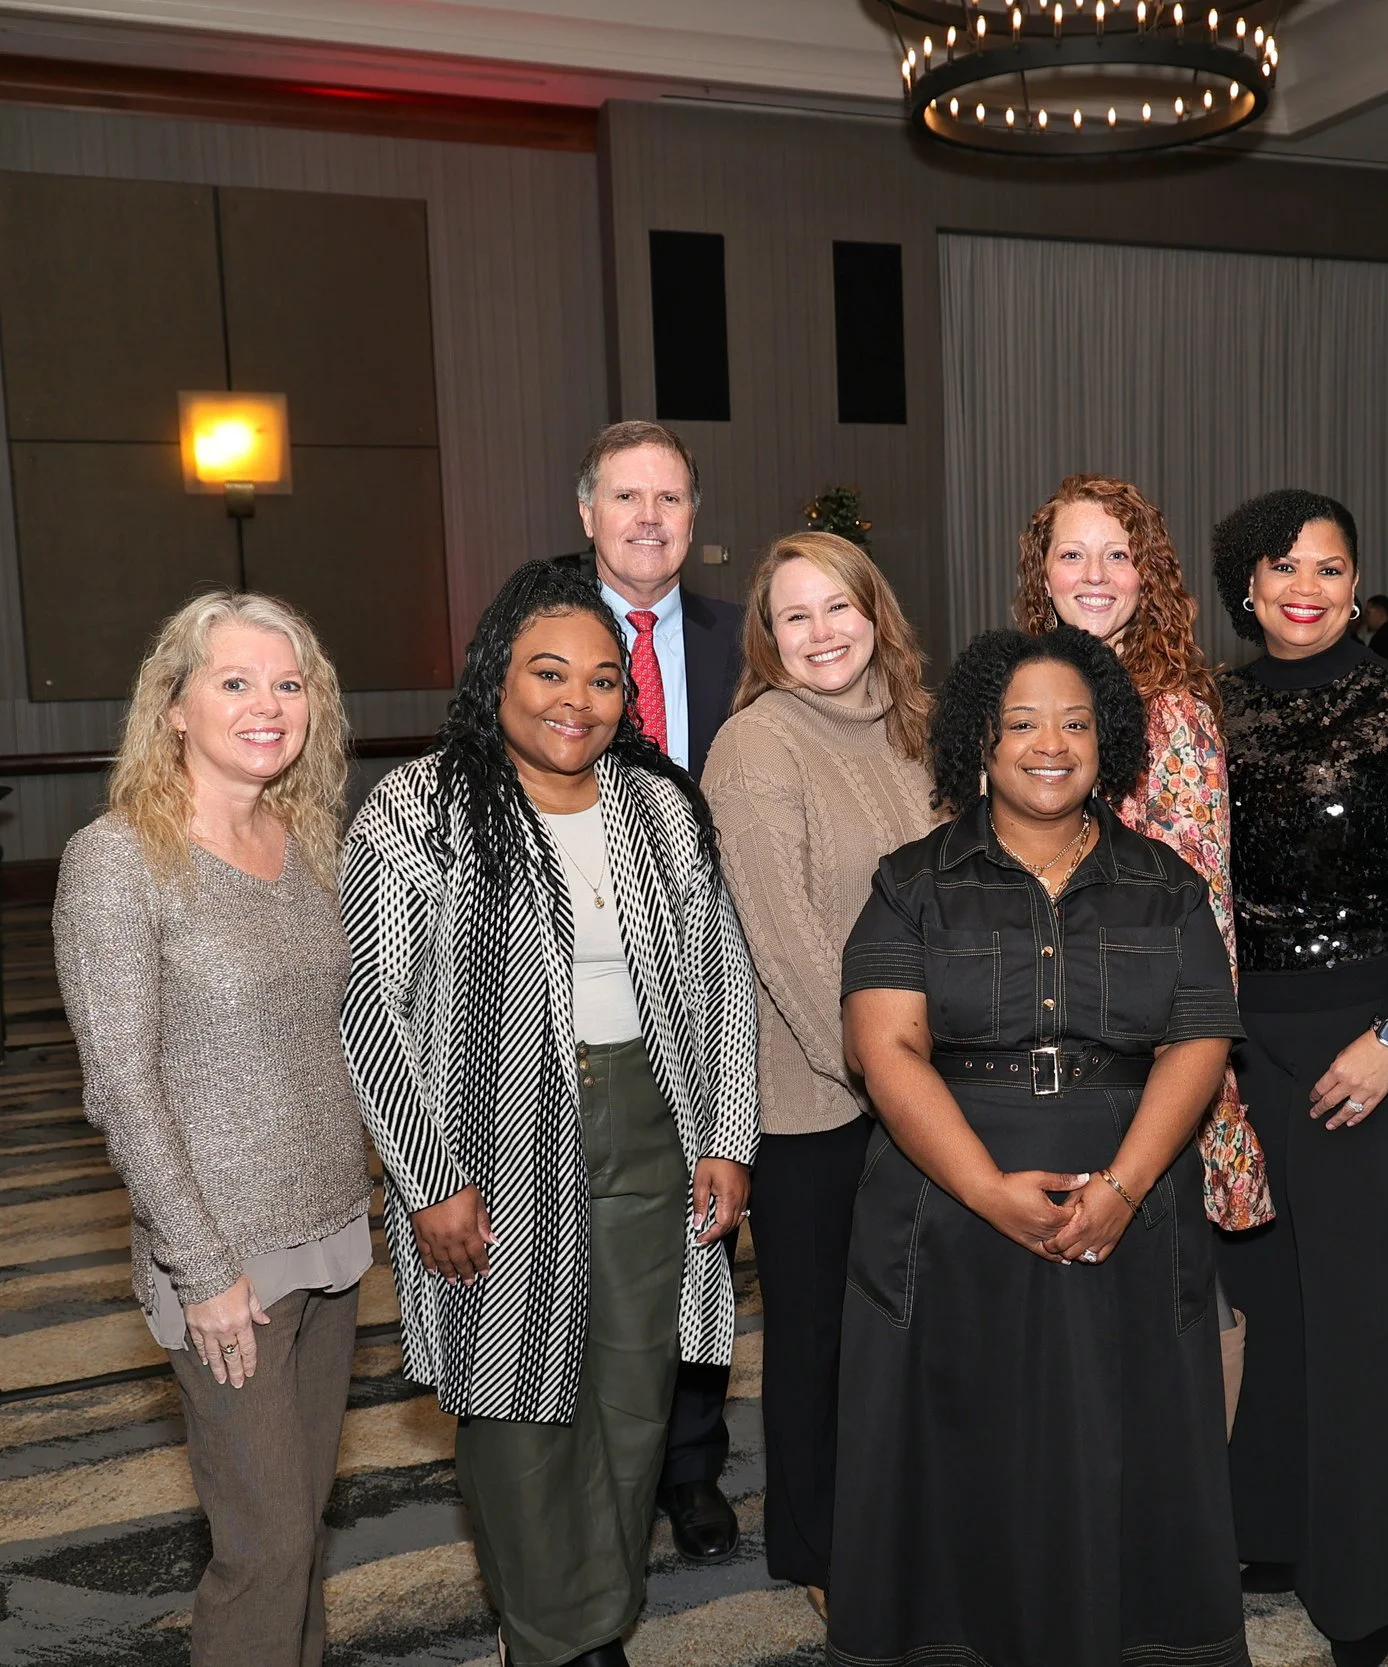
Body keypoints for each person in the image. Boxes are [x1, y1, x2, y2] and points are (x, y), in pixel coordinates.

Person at [341, 560, 759, 1667]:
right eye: (548, 670)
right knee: (520, 1403)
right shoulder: (418, 805)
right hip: (489, 1138)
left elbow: (722, 976)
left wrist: (726, 1135)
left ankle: (601, 1621)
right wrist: (426, 1178)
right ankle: (545, 1633)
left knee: (633, 1394)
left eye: (604, 678)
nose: (578, 697)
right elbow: (369, 1009)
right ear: (496, 679)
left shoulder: (658, 803)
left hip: (649, 1120)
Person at [834, 628, 1248, 1667]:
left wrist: (1120, 1185)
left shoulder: (1164, 882)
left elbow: (1199, 1036)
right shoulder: (910, 880)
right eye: (1021, 722)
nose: (1048, 743)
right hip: (947, 1210)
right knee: (964, 1448)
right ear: (982, 738)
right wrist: (986, 1190)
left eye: (1073, 721)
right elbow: (884, 1048)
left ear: (1107, 740)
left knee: (1128, 1442)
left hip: (1130, 1204)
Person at [53, 592, 370, 1667]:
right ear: (174, 704)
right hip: (223, 1253)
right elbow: (123, 1088)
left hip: (332, 1231)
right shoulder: (118, 858)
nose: (266, 704)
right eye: (234, 680)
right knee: (263, 1542)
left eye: (289, 683)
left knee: (301, 1538)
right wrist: (200, 1267)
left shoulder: (308, 838)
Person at [1209, 492, 1388, 1665]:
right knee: (1266, 1293)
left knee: (1359, 1306)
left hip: (1364, 1039)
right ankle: (1270, 1526)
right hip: (1233, 1038)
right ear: (1246, 582)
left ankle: (1367, 1581)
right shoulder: (1207, 710)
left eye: (1332, 566)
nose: (1309, 585)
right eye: (1285, 565)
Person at [700, 532, 938, 1619]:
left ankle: (905, 1520)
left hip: (927, 1086)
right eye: (794, 616)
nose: (820, 632)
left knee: (913, 1324)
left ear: (873, 611)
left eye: (836, 606)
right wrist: (883, 1080)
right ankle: (819, 1544)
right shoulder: (756, 746)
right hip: (819, 1101)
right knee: (818, 1334)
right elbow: (787, 944)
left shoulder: (919, 728)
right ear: (769, 637)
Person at [569, 418, 748, 1557]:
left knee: (705, 1214)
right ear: (585, 514)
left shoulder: (749, 639)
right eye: (626, 496)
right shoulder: (542, 636)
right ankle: (603, 1464)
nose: (648, 516)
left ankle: (690, 1464)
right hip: (579, 969)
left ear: (693, 518)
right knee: (593, 1226)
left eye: (669, 498)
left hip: (714, 961)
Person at [1014, 473, 1269, 1230]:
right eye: (1072, 554)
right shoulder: (1019, 694)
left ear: (1145, 576)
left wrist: (1192, 1064)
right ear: (1043, 573)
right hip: (1039, 1026)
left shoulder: (1173, 712)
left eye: (1117, 555)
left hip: (1139, 1047)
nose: (1094, 576)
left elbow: (1204, 908)